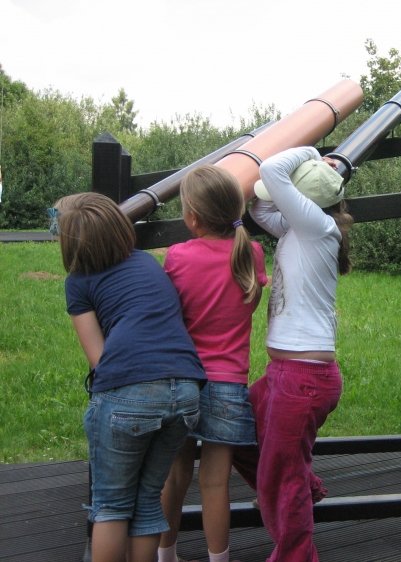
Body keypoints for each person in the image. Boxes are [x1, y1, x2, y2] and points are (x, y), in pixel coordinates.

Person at [51, 192, 206, 562]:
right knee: (147, 499)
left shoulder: (78, 282)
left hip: (127, 395)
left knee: (111, 504)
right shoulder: (146, 263)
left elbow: (98, 359)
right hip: (185, 390)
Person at [231, 145, 353, 562]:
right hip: (285, 374)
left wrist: (312, 150)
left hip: (303, 379)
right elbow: (260, 209)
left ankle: (296, 555)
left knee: (280, 479)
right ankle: (303, 486)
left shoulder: (317, 227)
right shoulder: (298, 229)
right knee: (236, 434)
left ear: (303, 201)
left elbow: (269, 170)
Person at [157, 165, 268, 562]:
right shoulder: (251, 252)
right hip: (228, 386)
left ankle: (165, 556)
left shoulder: (178, 256)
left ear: (192, 217)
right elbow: (250, 302)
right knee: (215, 484)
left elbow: (170, 311)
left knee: (175, 476)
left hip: (182, 383)